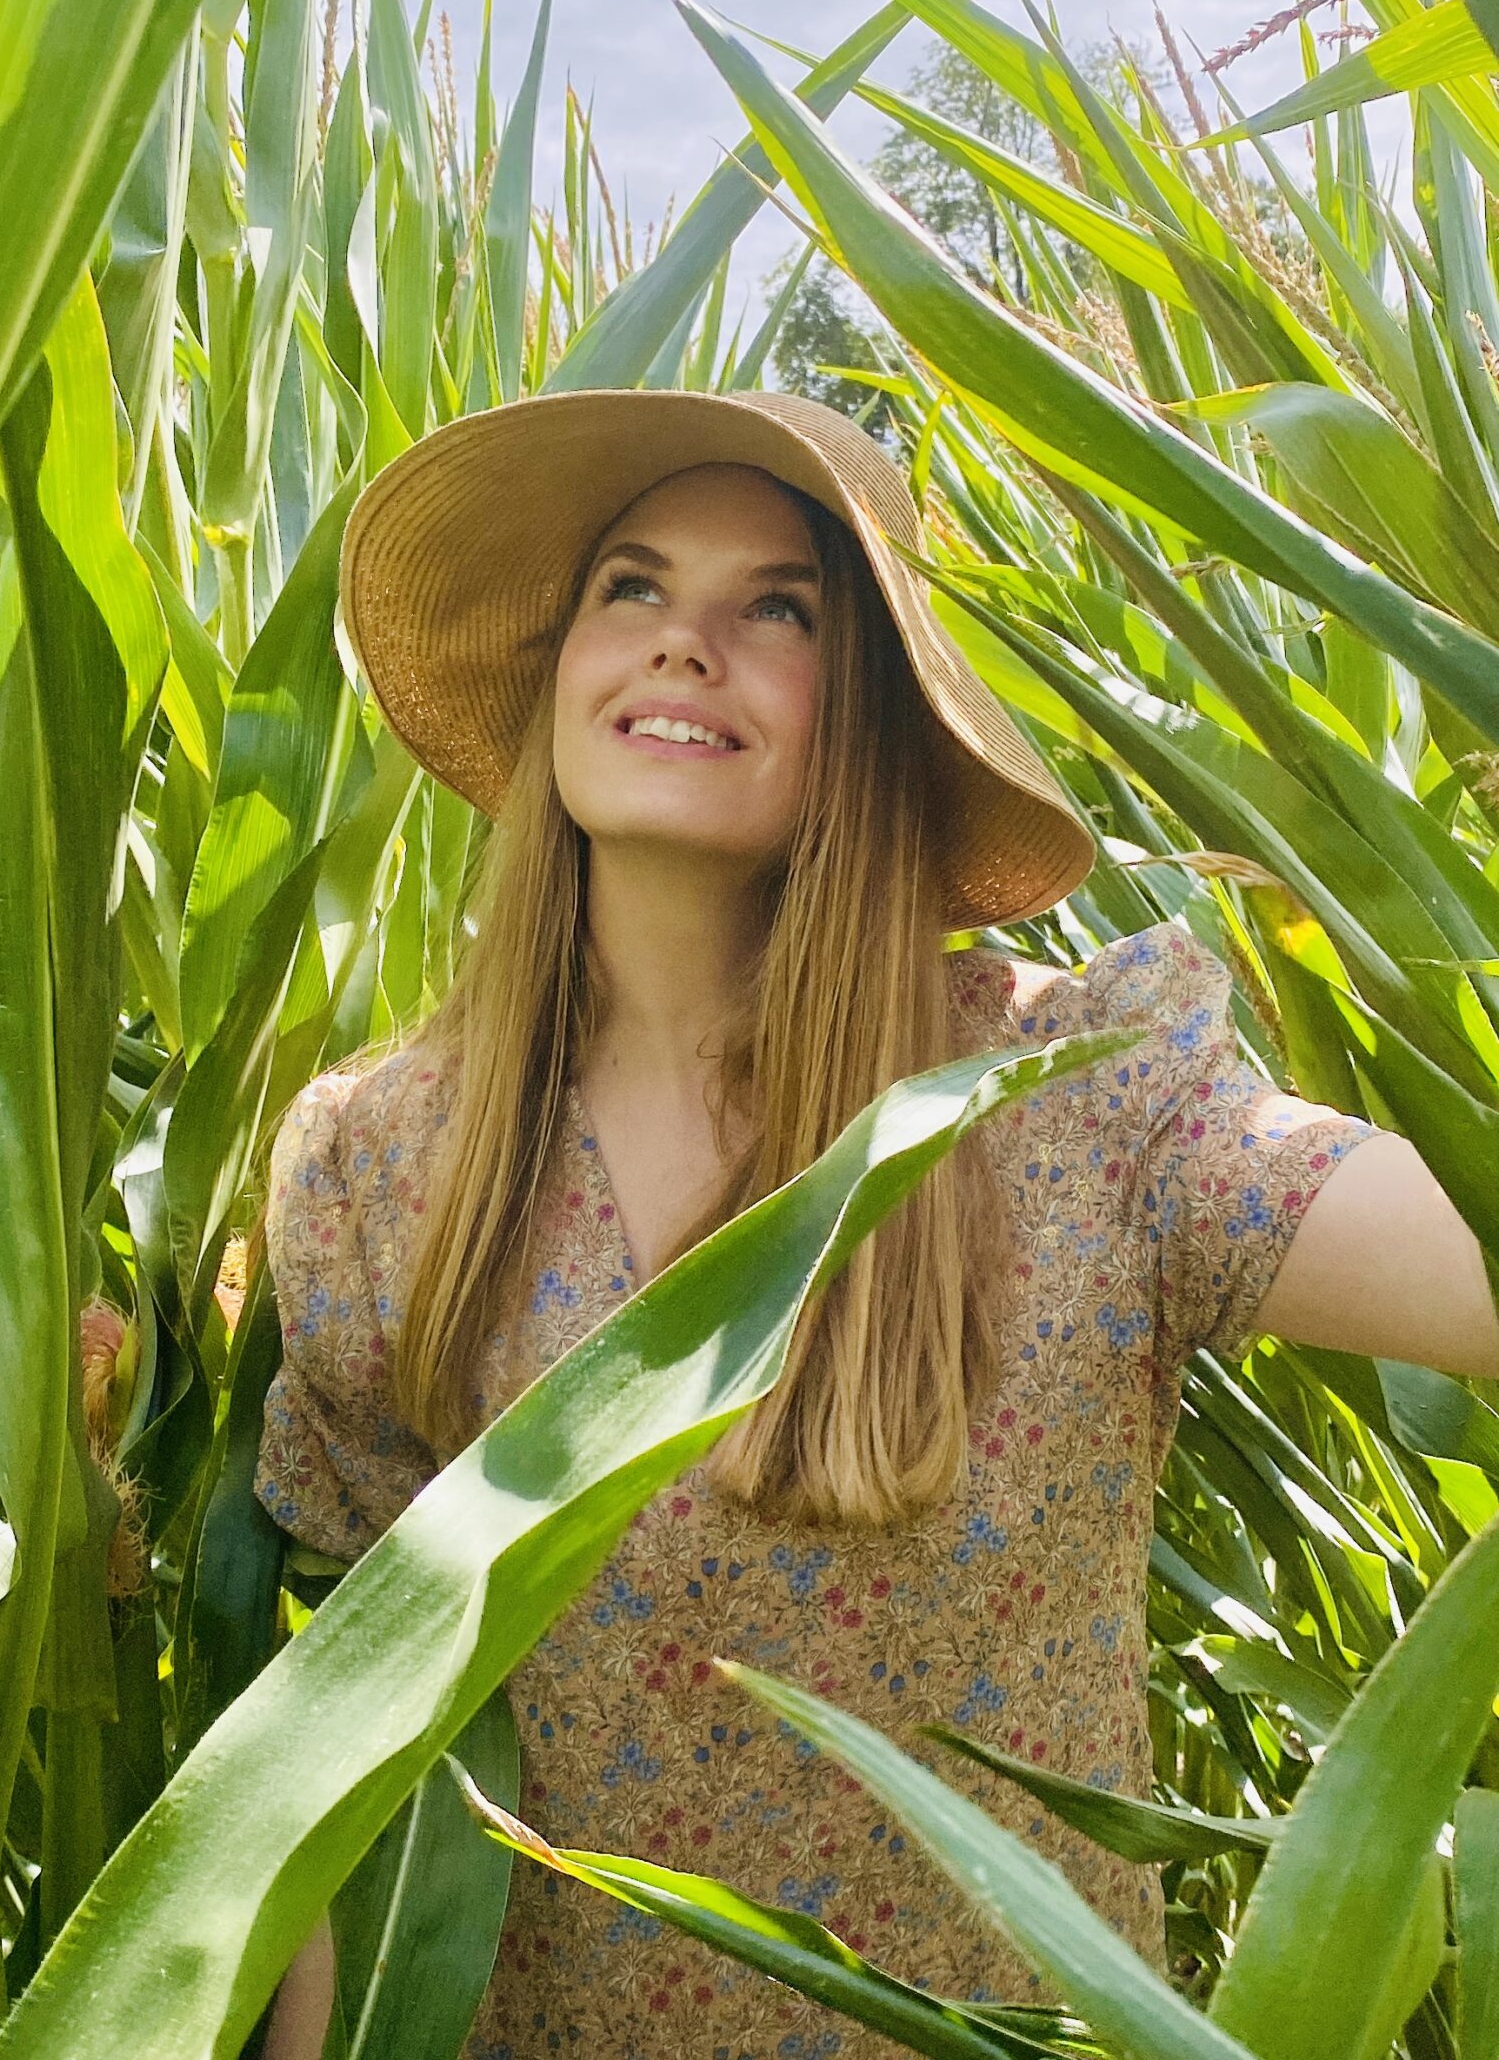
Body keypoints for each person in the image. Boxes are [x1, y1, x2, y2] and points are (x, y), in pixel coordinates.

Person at [255, 389, 1499, 2059]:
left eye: (779, 608)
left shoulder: (1074, 1097)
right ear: (559, 671)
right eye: (632, 585)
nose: (683, 642)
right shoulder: (379, 1159)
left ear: (874, 715)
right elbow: (343, 1765)